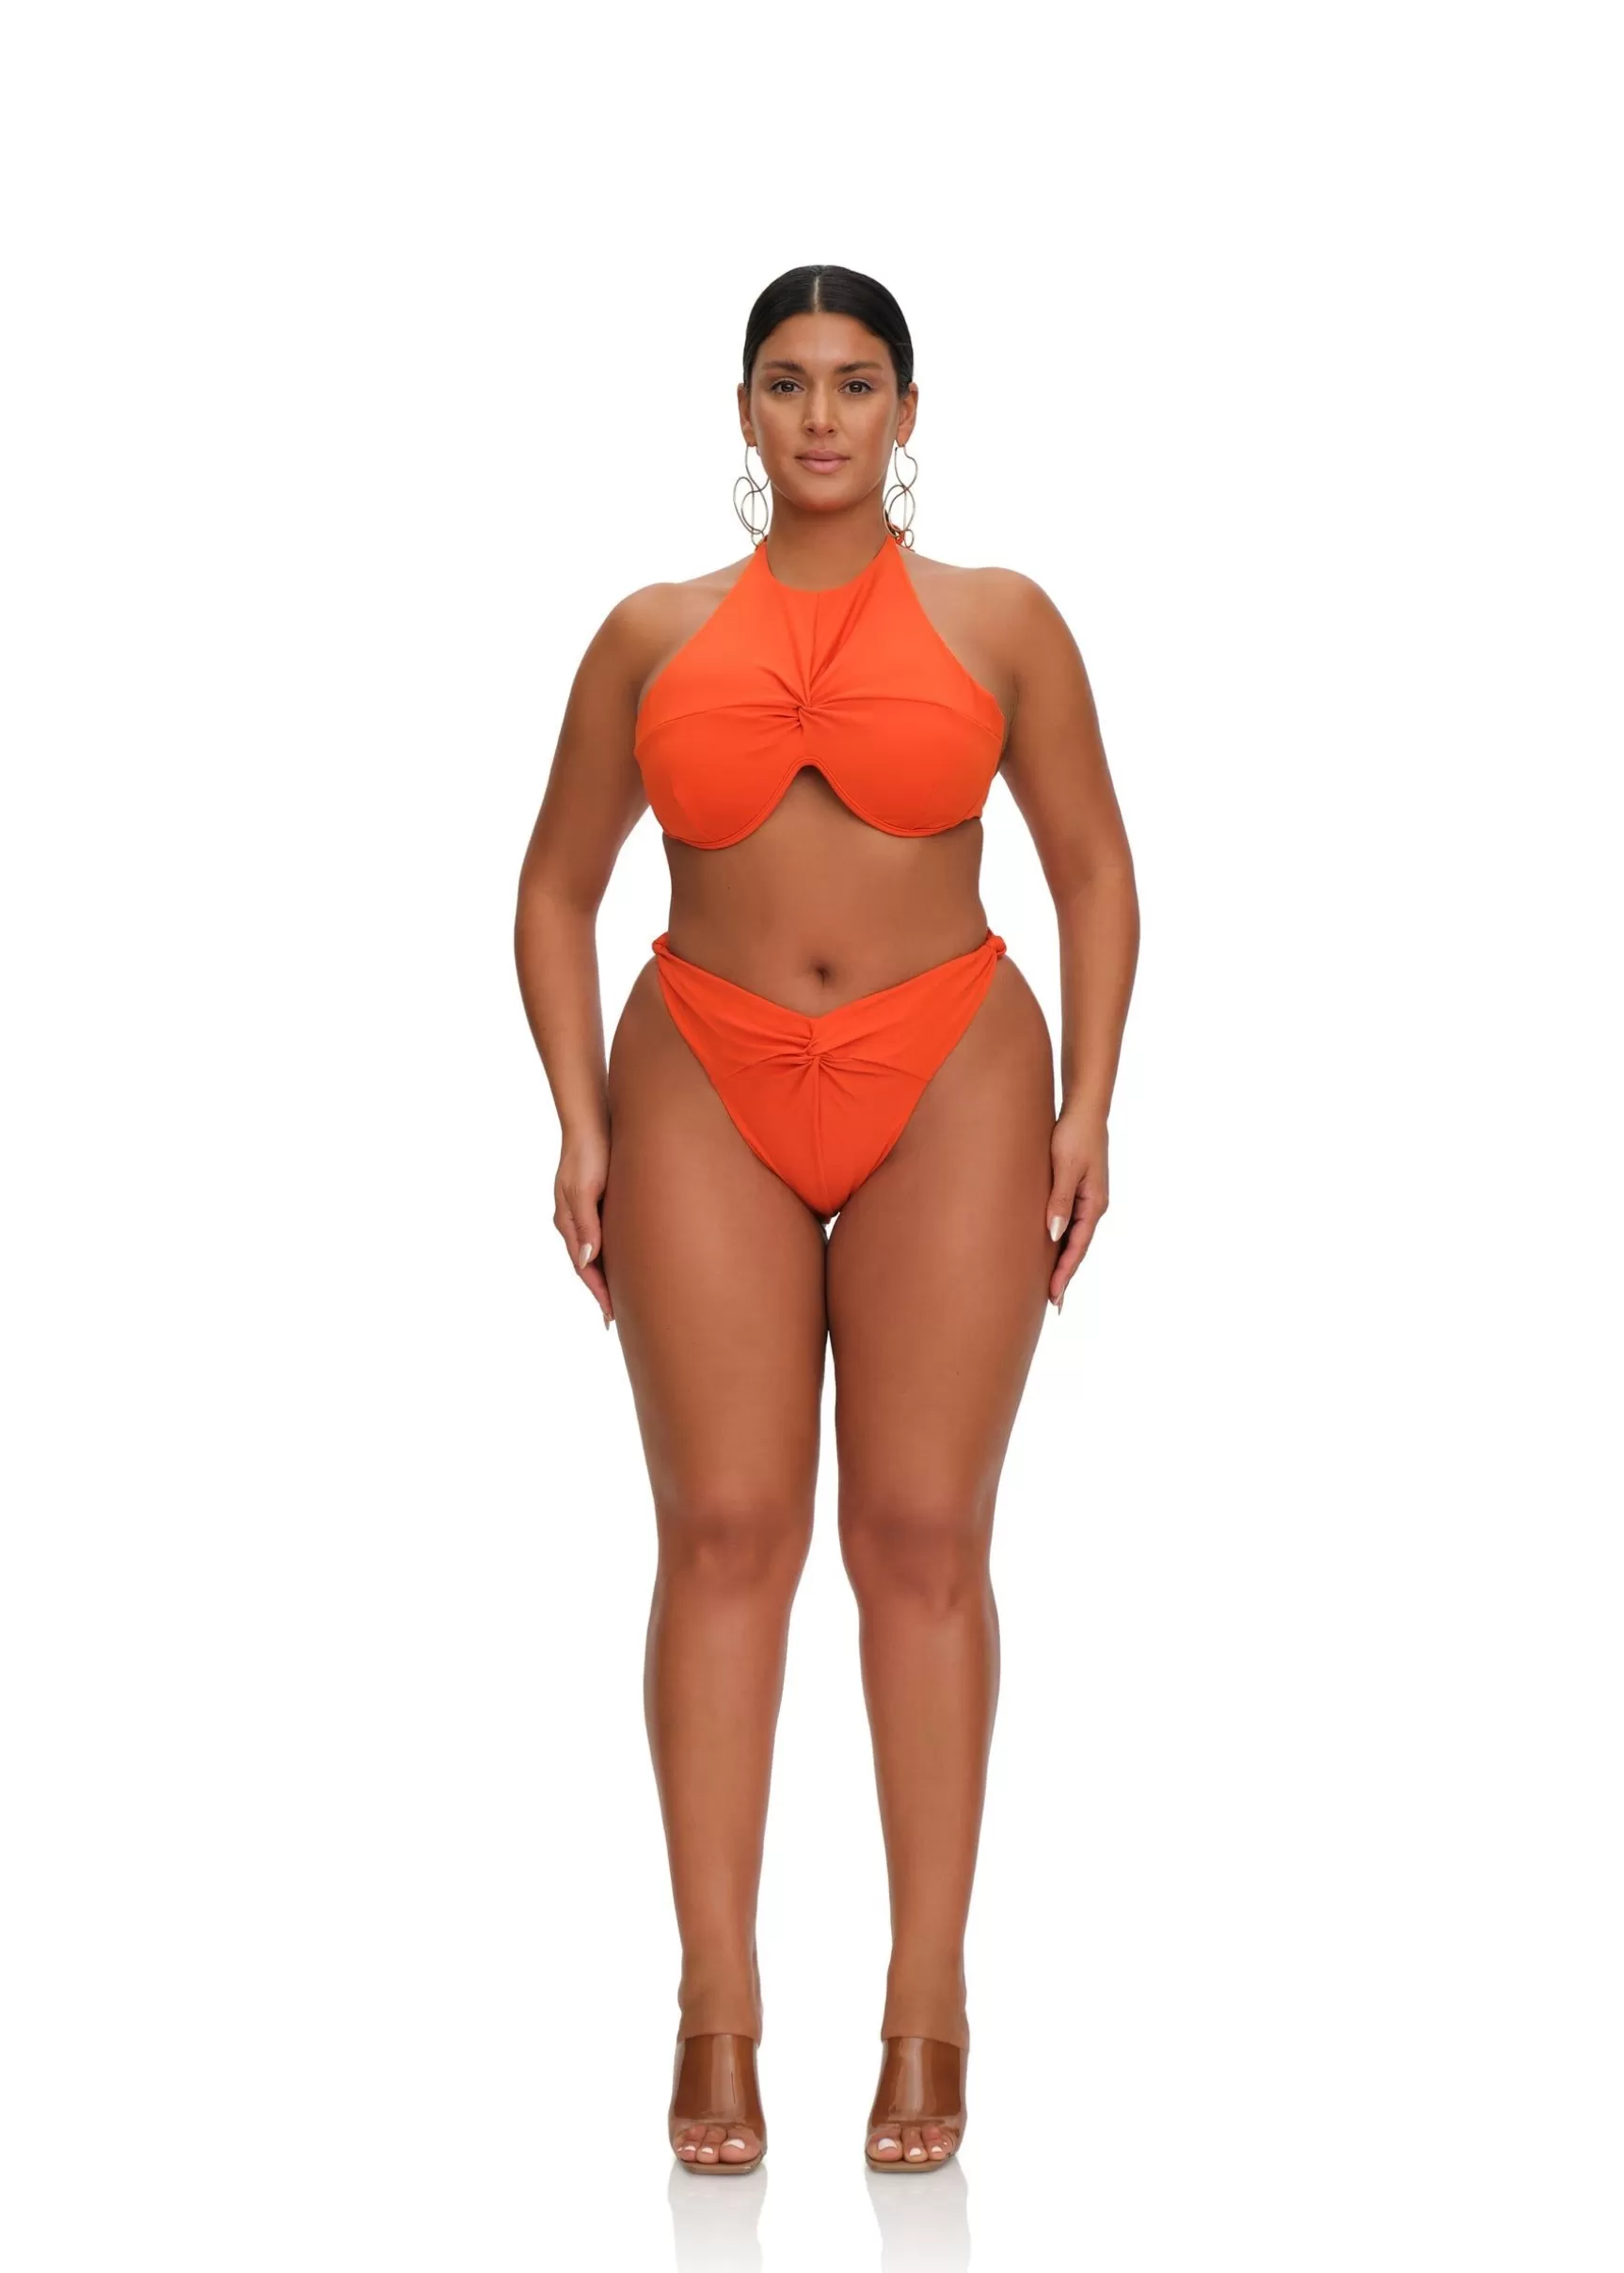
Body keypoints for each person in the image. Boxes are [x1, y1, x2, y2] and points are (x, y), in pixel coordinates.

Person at [513, 263, 1138, 2174]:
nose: (818, 418)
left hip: (949, 1067)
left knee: (922, 1535)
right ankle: (714, 2005)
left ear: (907, 412)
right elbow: (552, 888)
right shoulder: (645, 635)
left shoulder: (1003, 622)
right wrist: (577, 1118)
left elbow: (1094, 868)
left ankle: (925, 2001)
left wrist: (1088, 1103)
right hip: (701, 1067)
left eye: (854, 384)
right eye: (784, 383)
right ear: (739, 411)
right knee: (722, 1532)